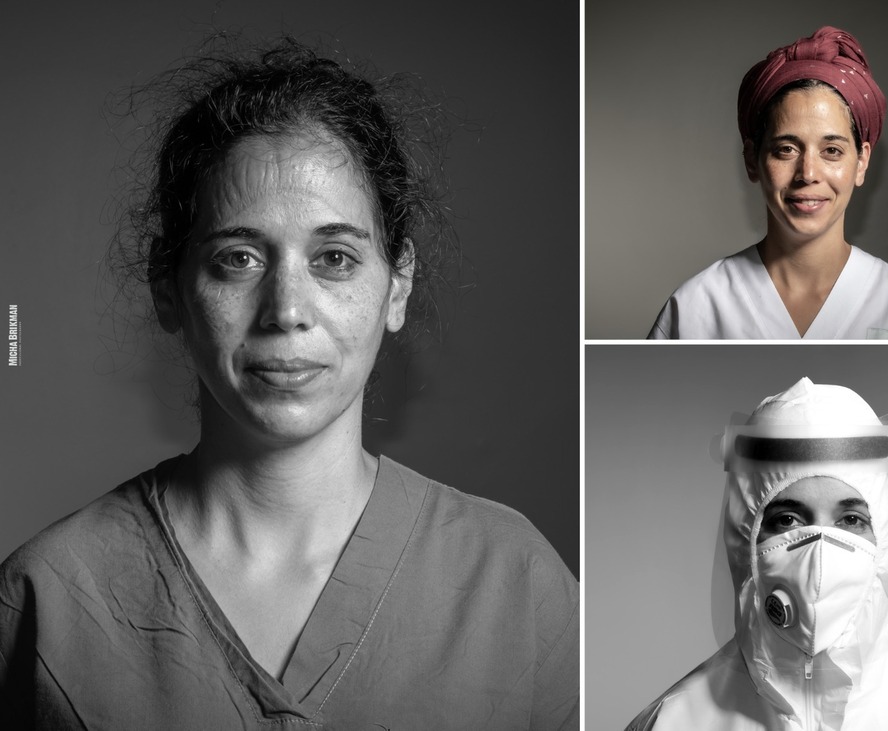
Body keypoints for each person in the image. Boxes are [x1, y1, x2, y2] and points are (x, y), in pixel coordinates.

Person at [0, 40, 579, 730]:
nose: (287, 311)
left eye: (334, 258)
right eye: (238, 258)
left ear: (398, 285)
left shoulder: (516, 584)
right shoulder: (49, 602)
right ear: (169, 288)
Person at [626, 378, 888, 730]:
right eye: (788, 519)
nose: (820, 552)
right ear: (744, 536)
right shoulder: (672, 722)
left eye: (849, 519)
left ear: (887, 536)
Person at [648, 27, 888, 339]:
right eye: (786, 149)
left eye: (831, 151)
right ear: (752, 159)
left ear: (861, 161)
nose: (808, 173)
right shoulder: (693, 310)